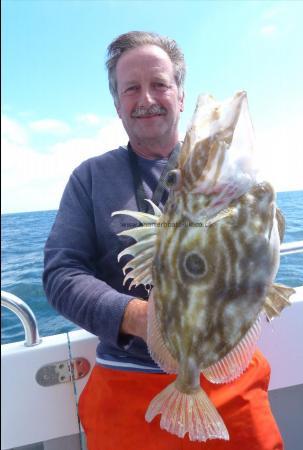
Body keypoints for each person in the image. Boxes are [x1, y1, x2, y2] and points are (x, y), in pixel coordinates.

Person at [43, 31, 284, 450]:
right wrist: (142, 318)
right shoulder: (90, 178)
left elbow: (259, 260)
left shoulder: (221, 172)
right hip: (126, 378)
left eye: (159, 84)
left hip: (230, 377)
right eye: (131, 88)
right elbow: (62, 273)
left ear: (180, 93)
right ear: (117, 104)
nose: (146, 98)